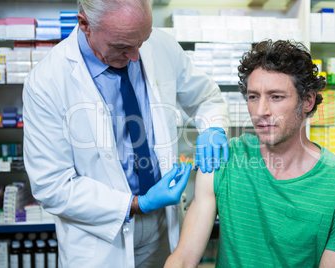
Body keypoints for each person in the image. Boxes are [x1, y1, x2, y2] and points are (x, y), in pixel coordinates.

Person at [22, 0, 229, 267]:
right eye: (121, 46)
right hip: (100, 232)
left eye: (141, 41)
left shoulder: (160, 46)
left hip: (162, 224)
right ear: (85, 24)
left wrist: (212, 127)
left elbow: (206, 97)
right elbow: (52, 185)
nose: (135, 56)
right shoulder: (46, 81)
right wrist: (135, 203)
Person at [165, 40, 335, 268]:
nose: (261, 111)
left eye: (276, 97)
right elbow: (183, 259)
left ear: (308, 101)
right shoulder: (225, 159)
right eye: (253, 97)